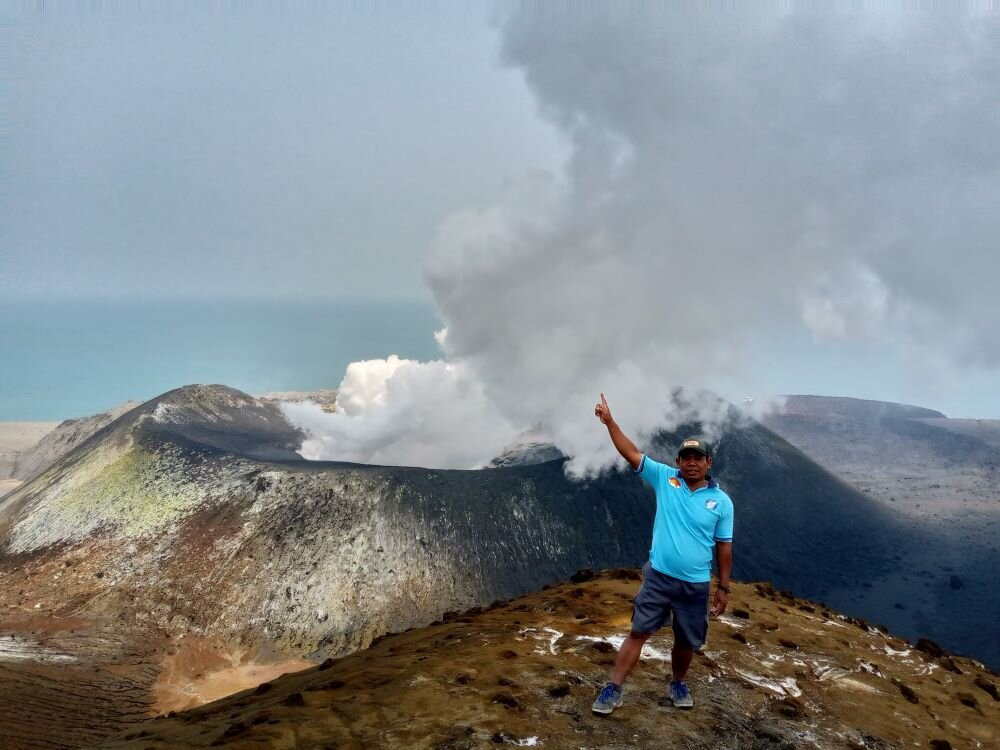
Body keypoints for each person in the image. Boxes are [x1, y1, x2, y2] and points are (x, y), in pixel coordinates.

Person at [590, 393, 733, 713]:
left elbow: (725, 546)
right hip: (658, 578)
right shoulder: (665, 479)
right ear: (679, 461)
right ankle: (613, 688)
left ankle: (677, 683)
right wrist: (610, 422)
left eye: (698, 457)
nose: (692, 462)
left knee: (686, 642)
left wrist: (723, 587)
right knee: (638, 631)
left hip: (695, 585)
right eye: (686, 457)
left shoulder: (722, 503)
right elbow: (631, 453)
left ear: (708, 462)